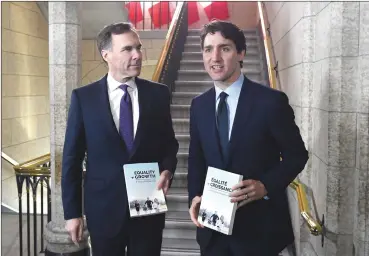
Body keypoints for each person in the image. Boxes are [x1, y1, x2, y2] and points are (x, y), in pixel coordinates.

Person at [187, 20, 308, 256]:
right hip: (213, 232)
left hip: (259, 231)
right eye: (208, 49)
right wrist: (195, 196)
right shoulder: (198, 105)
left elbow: (297, 155)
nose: (215, 58)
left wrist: (265, 186)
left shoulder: (271, 102)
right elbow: (196, 158)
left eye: (225, 48)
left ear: (241, 53)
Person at [61, 22, 178, 256]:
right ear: (107, 55)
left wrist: (167, 170)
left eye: (138, 47)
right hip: (103, 210)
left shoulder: (158, 94)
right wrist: (73, 213)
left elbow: (169, 145)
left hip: (147, 210)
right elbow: (71, 160)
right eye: (127, 49)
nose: (137, 55)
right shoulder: (84, 98)